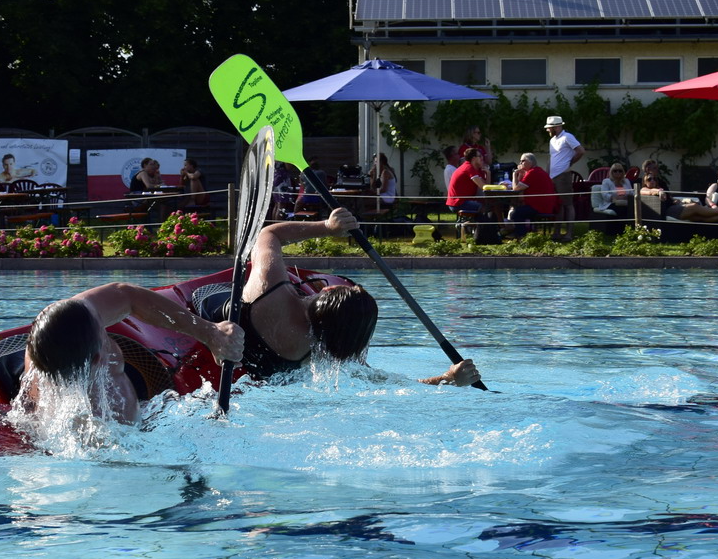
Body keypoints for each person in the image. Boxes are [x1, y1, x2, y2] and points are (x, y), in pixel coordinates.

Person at [235, 207, 478, 386]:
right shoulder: (327, 348)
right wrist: (448, 378)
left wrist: (327, 227)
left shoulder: (271, 291)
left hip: (226, 337)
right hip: (263, 379)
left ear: (327, 289)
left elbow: (268, 235)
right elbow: (388, 383)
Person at [20, 283, 243, 425]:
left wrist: (210, 332)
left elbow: (127, 295)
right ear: (97, 359)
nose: (102, 321)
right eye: (102, 332)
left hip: (139, 425)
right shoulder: (80, 424)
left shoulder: (63, 325)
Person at [639, 174, 718, 224]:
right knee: (695, 207)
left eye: (654, 179)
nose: (652, 180)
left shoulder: (660, 188)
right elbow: (646, 192)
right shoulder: (645, 188)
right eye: (649, 179)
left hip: (674, 207)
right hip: (669, 212)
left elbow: (670, 199)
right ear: (645, 182)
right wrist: (658, 191)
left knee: (700, 217)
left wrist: (674, 200)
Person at [545, 116, 584, 231]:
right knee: (558, 205)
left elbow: (580, 151)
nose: (547, 130)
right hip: (553, 176)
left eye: (549, 128)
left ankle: (569, 233)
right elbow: (551, 158)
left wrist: (570, 162)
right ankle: (557, 232)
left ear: (556, 127)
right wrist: (547, 175)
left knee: (567, 204)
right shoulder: (552, 140)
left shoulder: (567, 137)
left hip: (563, 176)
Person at [506, 153, 558, 232]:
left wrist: (514, 174)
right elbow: (519, 185)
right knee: (518, 209)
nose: (520, 163)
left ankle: (521, 235)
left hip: (540, 207)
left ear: (530, 162)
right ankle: (523, 231)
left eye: (523, 161)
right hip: (544, 205)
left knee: (516, 213)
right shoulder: (536, 171)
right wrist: (520, 174)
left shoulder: (532, 173)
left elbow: (515, 188)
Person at [446, 147, 487, 217]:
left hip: (462, 201)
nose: (482, 158)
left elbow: (485, 185)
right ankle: (486, 224)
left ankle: (496, 223)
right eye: (479, 156)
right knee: (484, 207)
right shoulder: (469, 168)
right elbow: (483, 187)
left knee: (488, 205)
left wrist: (488, 173)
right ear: (473, 158)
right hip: (458, 203)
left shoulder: (474, 168)